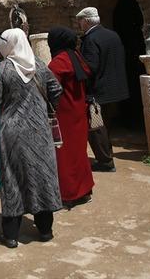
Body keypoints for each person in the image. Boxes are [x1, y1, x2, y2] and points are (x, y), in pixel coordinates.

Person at [0, 29, 63, 248]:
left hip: (11, 133)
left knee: (13, 179)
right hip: (39, 132)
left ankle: (10, 236)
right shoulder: (39, 66)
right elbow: (56, 91)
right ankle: (45, 230)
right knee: (42, 176)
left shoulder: (1, 70)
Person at [76, 7, 129, 173]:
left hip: (98, 91)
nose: (79, 24)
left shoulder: (91, 39)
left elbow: (90, 67)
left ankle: (105, 161)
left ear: (86, 21)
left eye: (80, 21)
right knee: (107, 125)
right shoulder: (112, 35)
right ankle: (108, 154)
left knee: (96, 127)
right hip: (115, 88)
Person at [47, 27, 95, 208]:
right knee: (79, 153)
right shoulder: (76, 56)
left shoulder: (59, 61)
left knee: (64, 155)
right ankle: (84, 189)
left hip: (64, 115)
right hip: (78, 112)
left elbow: (50, 87)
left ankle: (69, 193)